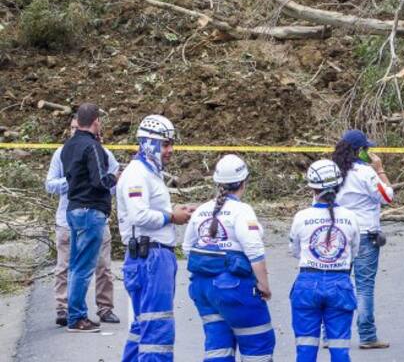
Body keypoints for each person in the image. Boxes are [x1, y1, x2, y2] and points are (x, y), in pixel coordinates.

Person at [116, 115, 195, 361]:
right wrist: (172, 217)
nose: (170, 150)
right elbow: (139, 215)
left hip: (153, 255)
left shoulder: (150, 172)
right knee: (157, 331)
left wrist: (175, 212)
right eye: (165, 144)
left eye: (171, 144)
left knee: (142, 327)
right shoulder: (137, 174)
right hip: (150, 258)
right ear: (148, 142)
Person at [182, 154, 275, 362]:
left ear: (216, 182)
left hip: (203, 290)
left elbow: (187, 248)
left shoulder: (201, 211)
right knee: (257, 344)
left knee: (218, 347)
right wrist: (264, 286)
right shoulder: (242, 211)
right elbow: (255, 251)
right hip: (234, 288)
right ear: (244, 182)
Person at [46, 114, 119, 327]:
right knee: (65, 266)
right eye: (71, 128)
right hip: (67, 217)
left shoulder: (103, 153)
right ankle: (64, 308)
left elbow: (113, 183)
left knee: (103, 266)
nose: (73, 131)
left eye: (77, 127)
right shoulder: (62, 153)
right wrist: (75, 180)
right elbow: (49, 184)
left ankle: (105, 308)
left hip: (97, 215)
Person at [290, 159, 360, 362]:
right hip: (340, 284)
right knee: (339, 347)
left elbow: (294, 250)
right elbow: (354, 251)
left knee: (305, 348)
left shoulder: (302, 217)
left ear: (312, 187)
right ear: (339, 185)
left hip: (307, 283)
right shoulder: (350, 217)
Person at [332, 128, 394, 350]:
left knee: (338, 283)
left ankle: (332, 334)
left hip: (339, 233)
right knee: (364, 286)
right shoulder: (366, 173)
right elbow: (388, 196)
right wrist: (380, 170)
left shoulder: (332, 171)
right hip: (366, 233)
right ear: (360, 151)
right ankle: (367, 335)